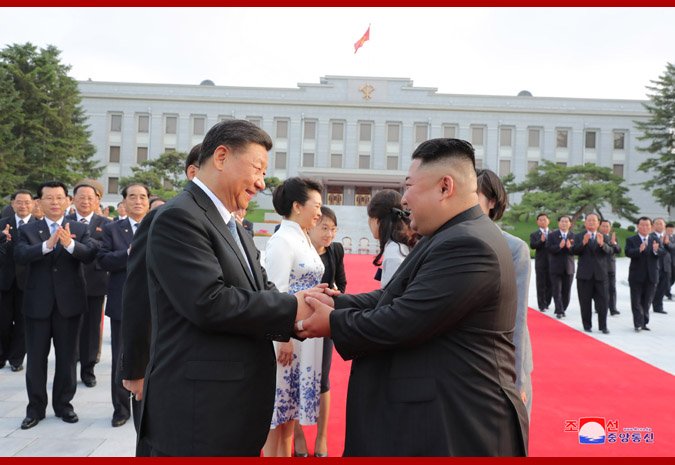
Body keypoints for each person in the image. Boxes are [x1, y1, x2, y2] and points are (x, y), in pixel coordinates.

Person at [298, 138, 528, 456]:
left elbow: (402, 318)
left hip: (461, 422)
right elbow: (394, 297)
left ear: (445, 187)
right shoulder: (452, 234)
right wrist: (337, 302)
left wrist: (334, 322)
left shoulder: (468, 244)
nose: (404, 199)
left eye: (409, 186)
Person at [138, 120, 316, 456]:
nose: (262, 183)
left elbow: (264, 290)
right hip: (199, 411)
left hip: (232, 407)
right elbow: (209, 302)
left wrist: (306, 307)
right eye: (257, 169)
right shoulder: (180, 217)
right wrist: (296, 307)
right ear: (221, 157)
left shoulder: (234, 227)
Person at [120, 144, 200, 437]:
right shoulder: (163, 217)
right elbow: (137, 294)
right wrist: (135, 368)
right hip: (160, 356)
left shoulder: (231, 224)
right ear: (194, 172)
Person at [14, 181, 97, 430]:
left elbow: (91, 253)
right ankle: (35, 409)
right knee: (36, 359)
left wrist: (68, 244)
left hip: (69, 304)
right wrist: (46, 246)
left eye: (59, 198)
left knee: (67, 358)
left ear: (67, 201)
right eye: (49, 198)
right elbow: (19, 255)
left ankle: (64, 405)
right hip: (37, 304)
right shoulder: (28, 229)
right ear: (39, 202)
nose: (54, 202)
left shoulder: (80, 228)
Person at [263, 177, 325, 457]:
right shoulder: (282, 241)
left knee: (290, 417)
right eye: (317, 206)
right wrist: (283, 337)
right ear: (297, 206)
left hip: (306, 338)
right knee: (276, 416)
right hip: (288, 341)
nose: (320, 213)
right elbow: (276, 293)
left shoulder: (303, 238)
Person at [476, 169, 533, 419]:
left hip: (502, 363)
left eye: (473, 195)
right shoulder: (441, 241)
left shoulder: (513, 249)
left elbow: (518, 318)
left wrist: (516, 379)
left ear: (492, 202)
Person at [292, 206, 346, 457]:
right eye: (324, 227)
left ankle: (322, 438)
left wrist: (335, 296)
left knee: (323, 379)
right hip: (296, 324)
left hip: (324, 322)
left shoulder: (335, 250)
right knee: (293, 380)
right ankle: (299, 438)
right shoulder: (298, 247)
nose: (329, 234)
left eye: (333, 229)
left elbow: (341, 283)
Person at [98, 183, 150, 428]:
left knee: (148, 355)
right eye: (132, 197)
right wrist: (128, 253)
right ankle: (120, 408)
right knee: (121, 355)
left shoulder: (157, 226)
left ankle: (144, 406)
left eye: (142, 197)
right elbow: (103, 259)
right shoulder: (112, 229)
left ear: (148, 202)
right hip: (122, 302)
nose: (137, 201)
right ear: (124, 202)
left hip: (151, 303)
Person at [66, 180, 111, 388]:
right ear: (73, 199)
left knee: (92, 329)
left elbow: (104, 249)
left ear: (97, 200)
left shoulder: (107, 224)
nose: (85, 201)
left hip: (95, 282)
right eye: (81, 197)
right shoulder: (64, 221)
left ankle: (88, 368)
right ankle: (68, 368)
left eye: (90, 198)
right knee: (69, 328)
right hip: (68, 283)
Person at [0, 190, 36, 372]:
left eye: (27, 202)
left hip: (29, 283)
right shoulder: (2, 224)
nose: (23, 206)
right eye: (19, 202)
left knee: (23, 323)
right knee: (3, 321)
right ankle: (2, 355)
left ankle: (16, 358)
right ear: (12, 204)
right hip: (5, 281)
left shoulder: (39, 226)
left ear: (33, 204)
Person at [367, 189, 415, 287]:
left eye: (369, 218)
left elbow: (391, 295)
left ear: (376, 220)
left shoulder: (394, 253)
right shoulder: (401, 246)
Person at [572, 213, 611, 334]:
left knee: (603, 302)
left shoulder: (604, 237)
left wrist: (602, 244)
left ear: (598, 223)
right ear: (585, 223)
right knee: (585, 302)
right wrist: (583, 243)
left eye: (594, 221)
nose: (591, 223)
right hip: (584, 275)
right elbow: (573, 251)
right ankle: (587, 325)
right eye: (589, 221)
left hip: (601, 275)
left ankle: (603, 326)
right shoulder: (579, 236)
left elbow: (610, 251)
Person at [626, 217, 662, 332]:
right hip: (636, 275)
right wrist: (639, 250)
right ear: (638, 226)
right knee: (636, 301)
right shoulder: (631, 239)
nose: (645, 227)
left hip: (651, 275)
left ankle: (644, 322)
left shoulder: (655, 239)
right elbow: (627, 252)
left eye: (647, 225)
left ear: (651, 227)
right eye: (642, 225)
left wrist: (656, 250)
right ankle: (638, 323)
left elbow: (663, 252)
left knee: (647, 301)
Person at [547, 215, 575, 319]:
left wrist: (569, 247)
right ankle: (559, 310)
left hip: (569, 268)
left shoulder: (573, 236)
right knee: (556, 290)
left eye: (566, 221)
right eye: (562, 221)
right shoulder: (552, 235)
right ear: (559, 223)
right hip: (556, 267)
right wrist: (559, 246)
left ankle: (563, 307)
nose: (564, 223)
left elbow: (576, 251)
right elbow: (549, 248)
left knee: (566, 291)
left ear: (570, 224)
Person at [530, 213, 552, 312]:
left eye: (544, 219)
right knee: (541, 284)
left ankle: (547, 302)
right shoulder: (534, 234)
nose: (543, 221)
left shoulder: (553, 233)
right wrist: (541, 241)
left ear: (548, 221)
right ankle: (541, 304)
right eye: (540, 220)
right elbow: (533, 245)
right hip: (541, 263)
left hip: (552, 262)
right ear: (537, 222)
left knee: (550, 283)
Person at [599, 219, 621, 316]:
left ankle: (613, 308)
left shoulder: (613, 237)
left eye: (607, 226)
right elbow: (606, 250)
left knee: (612, 288)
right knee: (600, 289)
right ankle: (599, 306)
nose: (605, 228)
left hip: (611, 266)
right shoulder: (597, 236)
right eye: (603, 226)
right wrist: (611, 247)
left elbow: (618, 250)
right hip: (600, 266)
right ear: (600, 227)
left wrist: (614, 243)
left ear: (610, 227)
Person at [650, 218, 672, 314]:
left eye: (661, 224)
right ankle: (647, 303)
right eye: (657, 224)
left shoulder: (668, 236)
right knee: (653, 287)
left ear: (664, 225)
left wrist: (667, 243)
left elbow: (671, 249)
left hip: (666, 265)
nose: (659, 225)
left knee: (663, 287)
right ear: (653, 225)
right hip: (655, 265)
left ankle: (658, 307)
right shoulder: (650, 237)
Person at [666, 222, 675, 300]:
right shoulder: (663, 237)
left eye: (672, 230)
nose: (670, 231)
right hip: (666, 262)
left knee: (672, 278)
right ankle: (667, 293)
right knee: (667, 277)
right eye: (669, 230)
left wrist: (669, 243)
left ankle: (665, 290)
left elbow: (672, 246)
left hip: (674, 261)